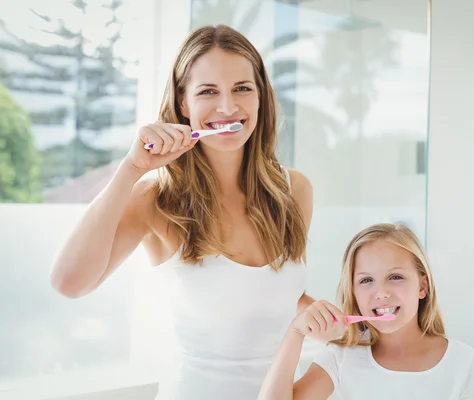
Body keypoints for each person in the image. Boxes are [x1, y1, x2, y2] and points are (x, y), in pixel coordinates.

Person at [50, 25, 318, 399]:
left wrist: (325, 313)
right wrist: (131, 169)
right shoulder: (156, 200)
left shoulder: (295, 191)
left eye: (243, 88)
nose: (228, 107)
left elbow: (279, 296)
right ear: (183, 102)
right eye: (208, 91)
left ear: (260, 97)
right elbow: (69, 282)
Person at [259, 223, 474, 400]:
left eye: (395, 277)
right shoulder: (341, 358)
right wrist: (295, 333)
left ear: (422, 287)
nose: (381, 292)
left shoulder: (463, 362)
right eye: (366, 280)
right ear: (353, 292)